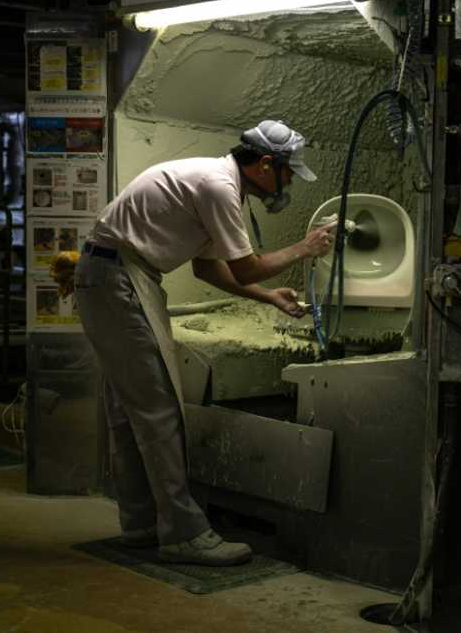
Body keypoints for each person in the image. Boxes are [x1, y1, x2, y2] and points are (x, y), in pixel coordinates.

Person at [71, 120, 335, 566]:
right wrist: (304, 248)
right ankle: (183, 534)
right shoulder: (218, 186)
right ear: (266, 164)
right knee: (160, 409)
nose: (289, 181)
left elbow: (208, 271)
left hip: (113, 273)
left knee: (129, 409)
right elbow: (247, 267)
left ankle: (142, 525)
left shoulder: (216, 181)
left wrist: (269, 297)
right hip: (119, 277)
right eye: (289, 172)